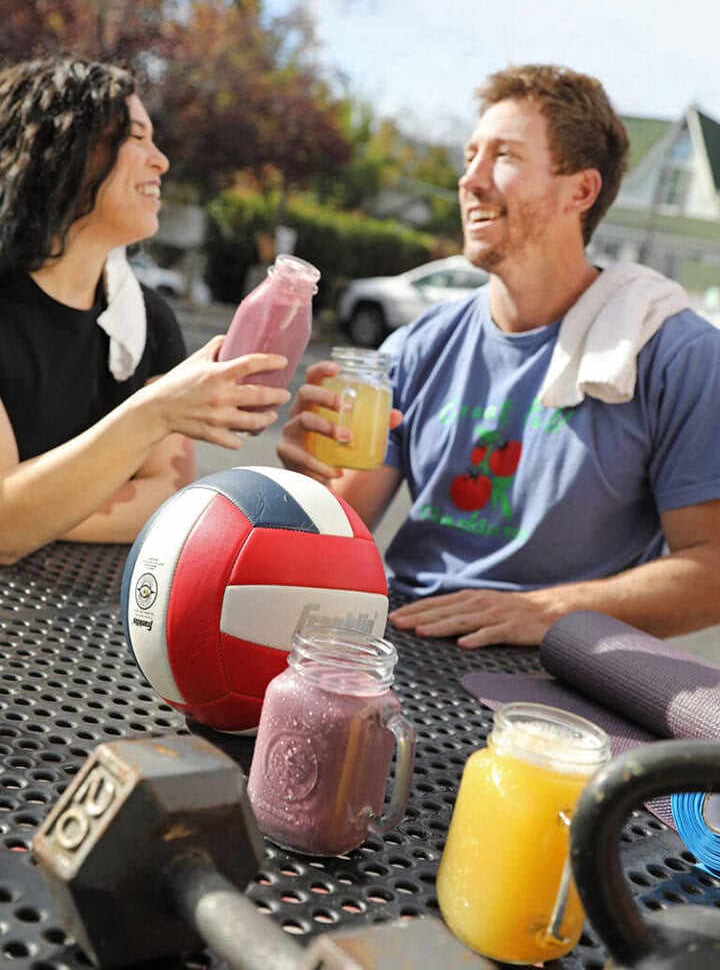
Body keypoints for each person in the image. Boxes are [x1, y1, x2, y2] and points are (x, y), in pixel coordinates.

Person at [278, 63, 720, 649]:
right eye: (469, 156)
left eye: (504, 157)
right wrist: (305, 488)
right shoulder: (418, 346)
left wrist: (546, 612)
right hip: (401, 636)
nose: (470, 180)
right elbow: (339, 536)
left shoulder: (674, 355)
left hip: (562, 671)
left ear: (580, 191)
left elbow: (711, 571)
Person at [0, 56, 290, 564]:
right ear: (63, 149)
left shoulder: (147, 321)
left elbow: (166, 499)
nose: (161, 161)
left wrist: (38, 513)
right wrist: (155, 414)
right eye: (136, 137)